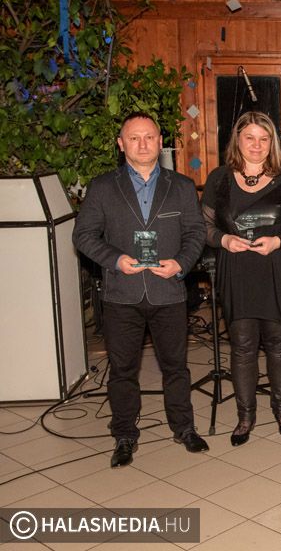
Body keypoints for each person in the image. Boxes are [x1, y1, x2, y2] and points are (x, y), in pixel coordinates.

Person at [73, 112, 208, 468]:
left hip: (169, 291)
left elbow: (196, 233)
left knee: (176, 367)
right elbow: (83, 235)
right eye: (134, 138)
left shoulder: (181, 186)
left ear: (160, 142)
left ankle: (184, 428)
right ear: (121, 144)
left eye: (149, 137)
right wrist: (115, 260)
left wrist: (181, 263)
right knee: (122, 370)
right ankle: (124, 435)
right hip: (122, 293)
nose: (142, 144)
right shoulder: (103, 187)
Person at [201, 112, 281, 446]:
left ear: (273, 143)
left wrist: (280, 240)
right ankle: (245, 416)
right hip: (236, 270)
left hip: (274, 268)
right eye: (249, 137)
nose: (257, 145)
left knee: (279, 343)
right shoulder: (219, 178)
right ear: (237, 140)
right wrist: (224, 240)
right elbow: (202, 225)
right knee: (243, 345)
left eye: (264, 139)